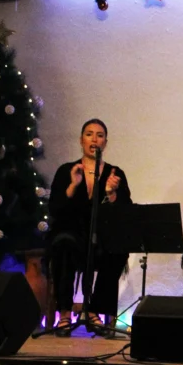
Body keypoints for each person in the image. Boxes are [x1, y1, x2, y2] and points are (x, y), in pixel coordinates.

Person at [48, 118, 132, 335]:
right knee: (64, 243)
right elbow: (55, 209)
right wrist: (73, 186)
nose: (94, 139)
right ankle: (65, 313)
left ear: (105, 142)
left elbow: (125, 212)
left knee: (117, 249)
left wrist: (111, 193)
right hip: (72, 233)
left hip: (102, 236)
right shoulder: (67, 170)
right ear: (81, 140)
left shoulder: (115, 173)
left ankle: (95, 309)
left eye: (100, 135)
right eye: (89, 134)